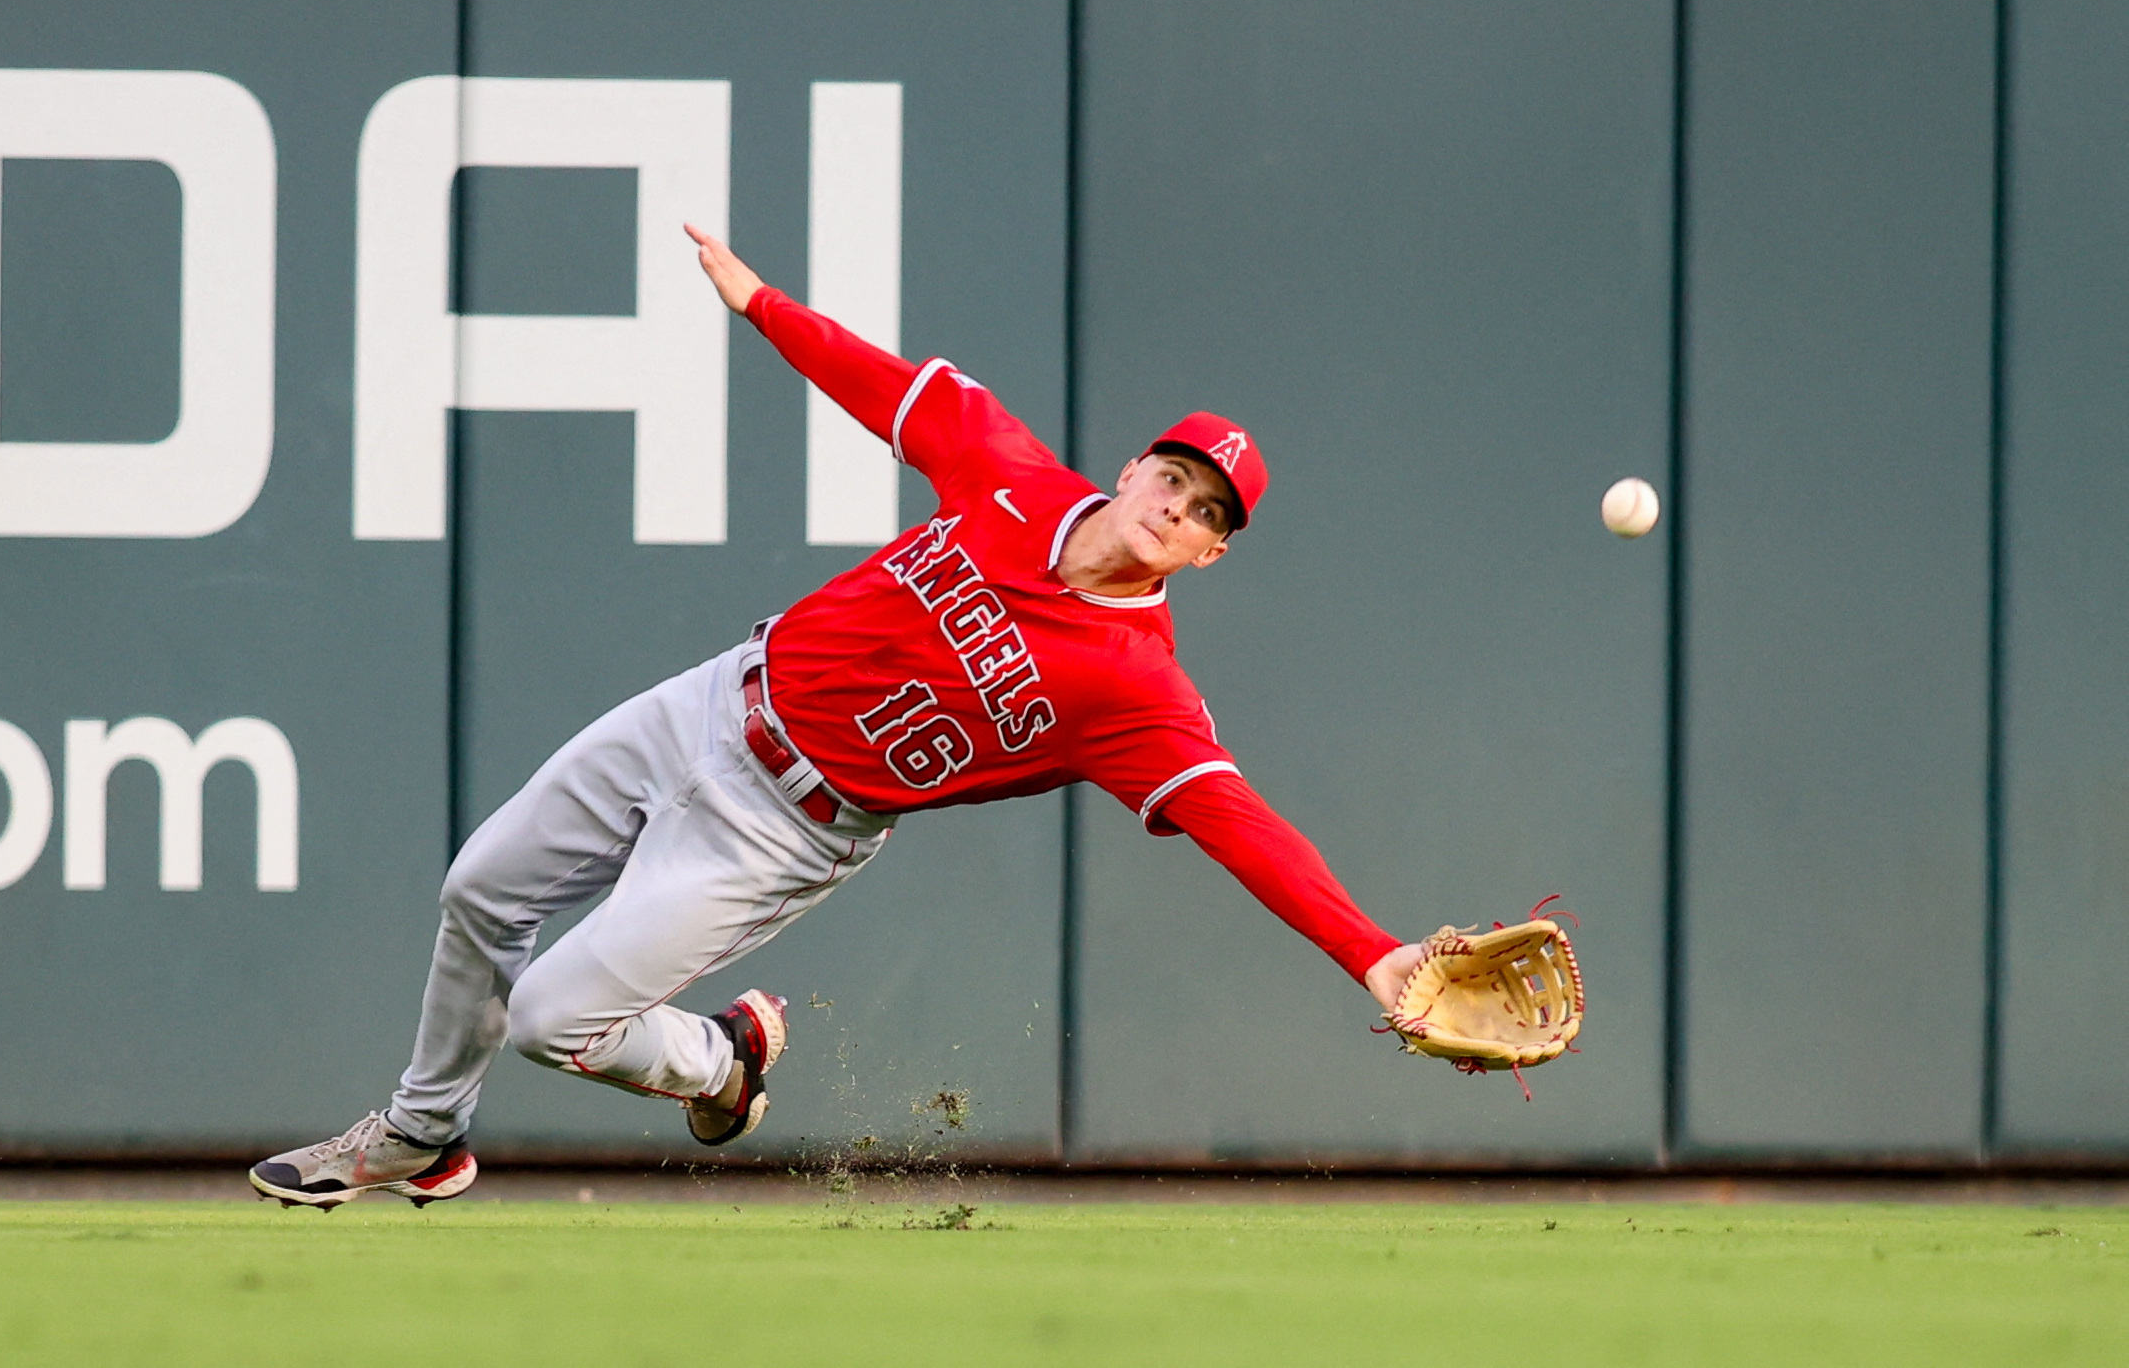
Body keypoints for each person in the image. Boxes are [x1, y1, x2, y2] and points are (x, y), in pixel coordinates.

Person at [248, 225, 1425, 1208]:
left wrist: (1371, 957)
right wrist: (759, 302)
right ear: (1133, 469)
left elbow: (1242, 827)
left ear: (1212, 553)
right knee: (478, 891)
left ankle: (720, 1062)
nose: (1175, 505)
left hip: (785, 827)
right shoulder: (1007, 471)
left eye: (1204, 509)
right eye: (1173, 476)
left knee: (554, 1017)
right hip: (710, 702)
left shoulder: (1137, 689)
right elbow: (883, 390)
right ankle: (419, 1132)